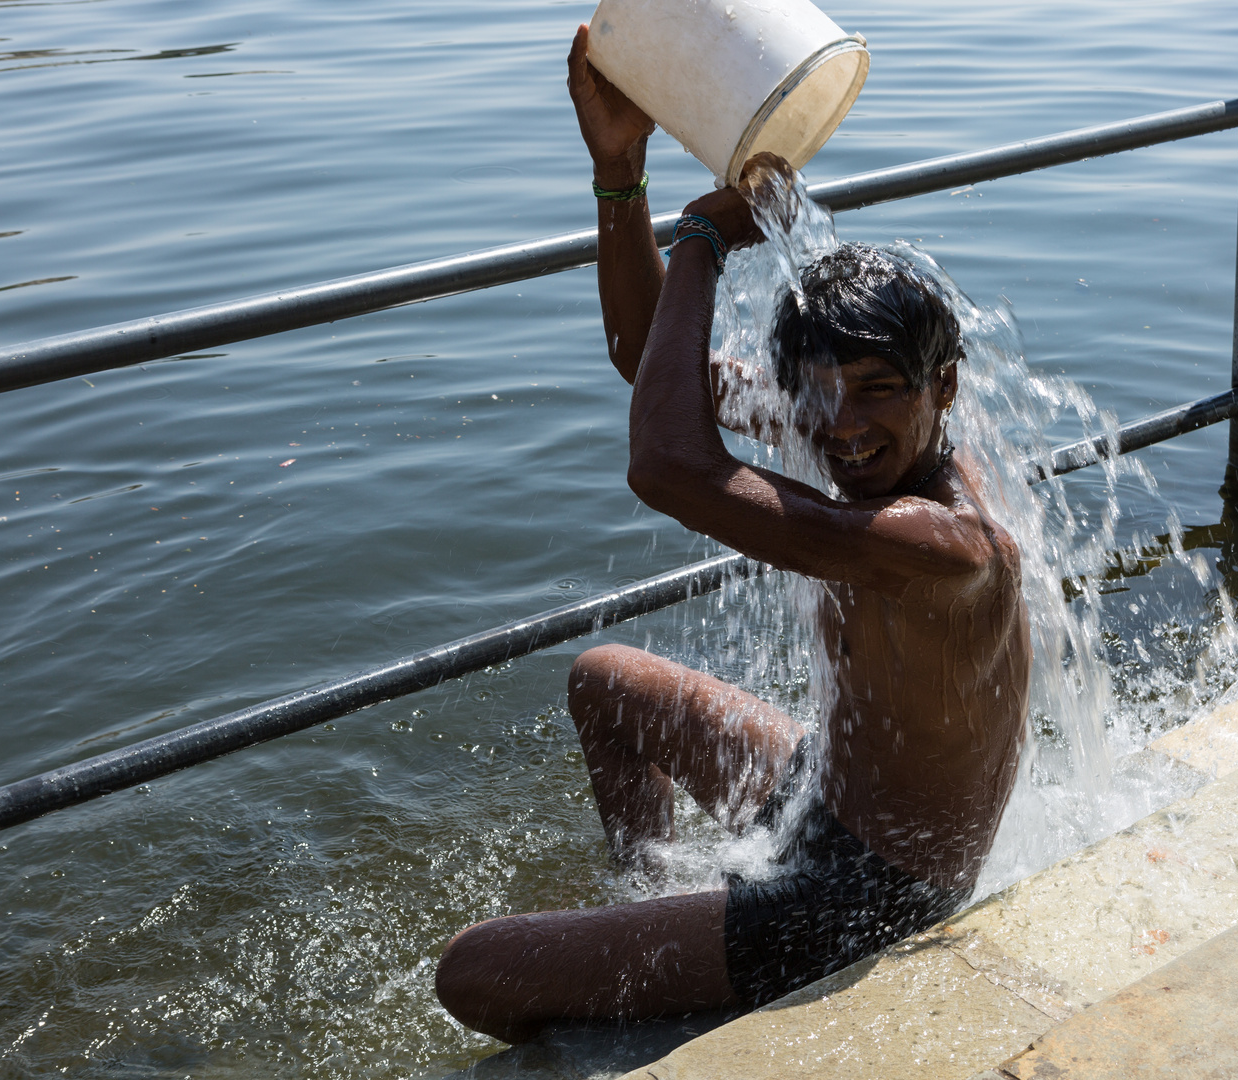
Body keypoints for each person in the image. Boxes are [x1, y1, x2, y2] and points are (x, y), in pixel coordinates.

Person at [432, 24, 1029, 1043]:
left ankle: (675, 990)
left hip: (867, 898)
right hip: (824, 795)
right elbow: (646, 361)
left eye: (877, 395)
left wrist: (703, 238)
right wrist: (620, 174)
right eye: (817, 396)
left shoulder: (946, 544)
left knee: (476, 973)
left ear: (945, 388)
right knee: (607, 681)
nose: (841, 429)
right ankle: (651, 913)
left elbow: (666, 463)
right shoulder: (853, 434)